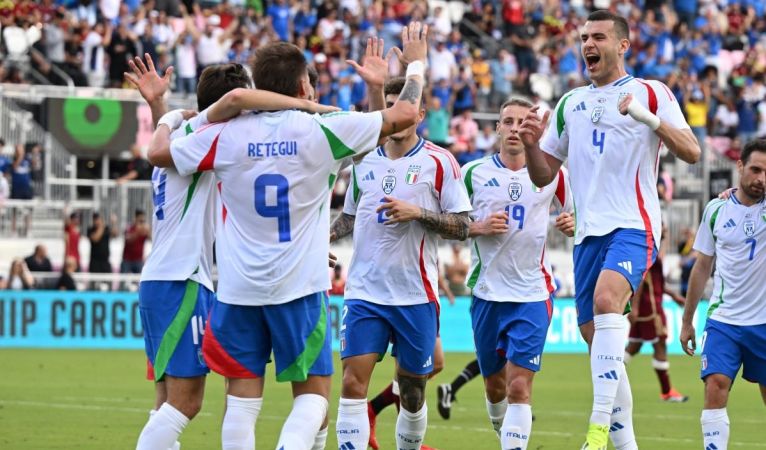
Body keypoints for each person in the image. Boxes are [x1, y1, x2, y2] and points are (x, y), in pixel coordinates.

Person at [147, 23, 428, 450]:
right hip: (299, 287)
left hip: (238, 290)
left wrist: (167, 113)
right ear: (302, 85)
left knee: (241, 403)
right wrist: (415, 65)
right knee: (313, 397)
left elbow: (160, 154)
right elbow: (400, 119)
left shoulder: (223, 134)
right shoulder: (323, 130)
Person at [130, 54, 334, 449]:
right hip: (181, 280)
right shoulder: (211, 137)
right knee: (185, 403)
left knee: (166, 401)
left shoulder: (186, 141)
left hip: (162, 278)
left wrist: (159, 107)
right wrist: (308, 106)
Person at [519, 10, 700, 450]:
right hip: (587, 235)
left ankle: (597, 430)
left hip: (634, 225)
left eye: (598, 37)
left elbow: (692, 151)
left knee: (606, 301)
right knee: (597, 341)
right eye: (584, 37)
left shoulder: (651, 92)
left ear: (623, 45)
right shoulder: (570, 103)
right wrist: (531, 146)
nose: (588, 45)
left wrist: (648, 118)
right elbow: (544, 176)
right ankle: (626, 445)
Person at [329, 39, 470, 450]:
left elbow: (463, 226)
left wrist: (418, 213)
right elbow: (350, 217)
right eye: (387, 107)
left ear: (419, 114)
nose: (395, 114)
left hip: (414, 295)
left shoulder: (440, 162)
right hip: (365, 293)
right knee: (352, 382)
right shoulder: (365, 162)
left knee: (411, 391)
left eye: (402, 107)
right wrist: (322, 236)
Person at [442, 98, 573, 449]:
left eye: (523, 122)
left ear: (536, 129)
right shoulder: (472, 173)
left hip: (532, 293)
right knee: (495, 387)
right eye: (509, 121)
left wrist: (573, 223)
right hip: (487, 294)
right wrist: (478, 227)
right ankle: (507, 437)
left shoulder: (554, 174)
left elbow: (578, 216)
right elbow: (445, 224)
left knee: (518, 387)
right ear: (497, 128)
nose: (516, 128)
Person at [680, 139, 766, 450]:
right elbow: (702, 265)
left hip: (763, 322)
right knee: (715, 386)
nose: (761, 178)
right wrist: (687, 321)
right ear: (739, 166)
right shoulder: (716, 209)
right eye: (755, 169)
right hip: (723, 320)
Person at [624, 228, 688, 402]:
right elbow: (641, 280)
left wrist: (673, 295)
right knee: (660, 345)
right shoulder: (649, 252)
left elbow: (657, 282)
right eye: (663, 228)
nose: (665, 230)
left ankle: (610, 376)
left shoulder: (652, 251)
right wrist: (635, 307)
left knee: (634, 345)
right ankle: (667, 392)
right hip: (651, 309)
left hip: (647, 306)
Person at [121, 209, 150, 274]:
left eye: (143, 221)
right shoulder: (129, 227)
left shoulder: (144, 229)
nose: (142, 222)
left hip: (138, 260)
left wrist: (148, 230)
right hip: (127, 260)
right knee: (123, 279)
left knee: (140, 279)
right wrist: (138, 230)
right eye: (140, 220)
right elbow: (128, 239)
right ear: (135, 219)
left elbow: (150, 238)